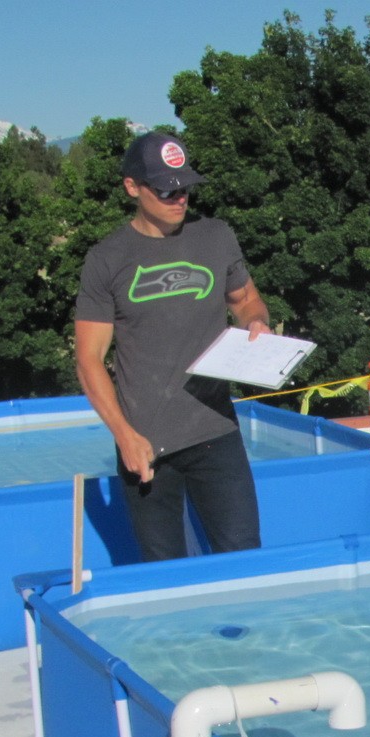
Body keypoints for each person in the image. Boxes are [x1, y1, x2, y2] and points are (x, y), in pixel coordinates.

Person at [74, 132, 271, 561]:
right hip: (145, 444)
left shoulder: (216, 236)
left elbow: (245, 300)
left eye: (185, 187)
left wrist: (256, 322)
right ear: (132, 187)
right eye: (166, 189)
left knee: (246, 560)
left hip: (215, 430)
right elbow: (88, 360)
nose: (179, 198)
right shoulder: (107, 259)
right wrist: (124, 436)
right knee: (165, 573)